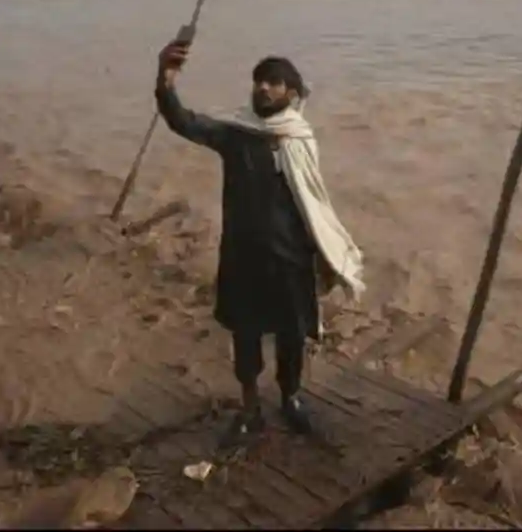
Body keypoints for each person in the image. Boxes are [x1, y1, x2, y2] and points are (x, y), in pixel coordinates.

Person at [154, 40, 365, 443]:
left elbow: (314, 203)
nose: (263, 88)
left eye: (273, 82)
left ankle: (291, 400)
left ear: (293, 92)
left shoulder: (299, 138)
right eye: (258, 81)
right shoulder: (236, 134)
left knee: (292, 336)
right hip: (243, 256)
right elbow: (182, 121)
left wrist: (324, 255)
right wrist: (166, 78)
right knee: (245, 337)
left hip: (290, 258)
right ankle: (250, 408)